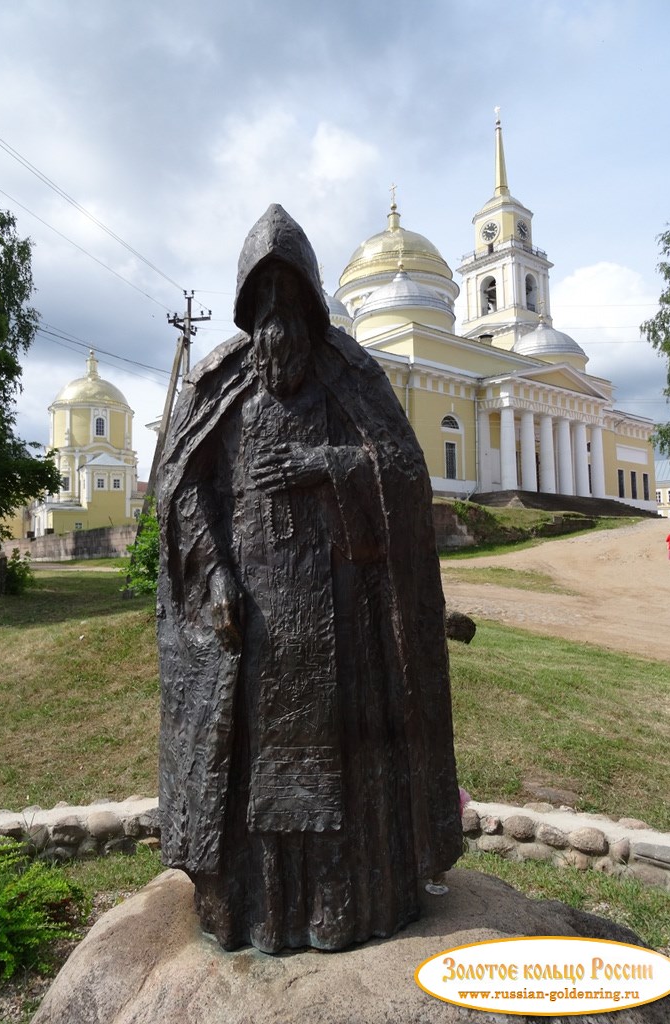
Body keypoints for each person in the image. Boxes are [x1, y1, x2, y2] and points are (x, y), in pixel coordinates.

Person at [156, 205, 462, 953]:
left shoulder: (349, 374)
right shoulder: (220, 382)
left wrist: (322, 465)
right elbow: (181, 486)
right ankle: (253, 912)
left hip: (340, 618)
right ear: (246, 313)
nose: (277, 329)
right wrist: (214, 575)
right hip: (251, 620)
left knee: (340, 767)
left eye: (291, 306)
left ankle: (344, 910)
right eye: (264, 309)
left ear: (314, 306)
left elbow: (401, 472)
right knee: (255, 768)